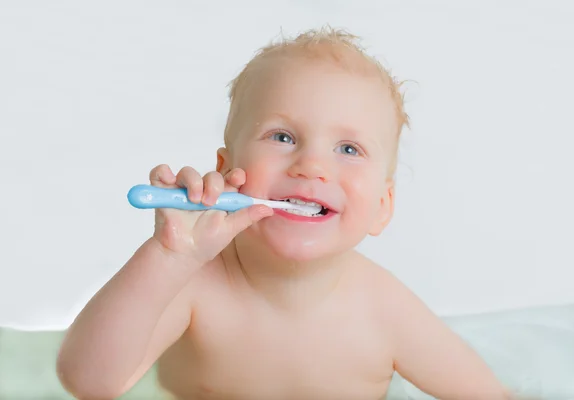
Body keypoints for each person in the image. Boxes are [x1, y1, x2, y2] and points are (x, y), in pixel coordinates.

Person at [56, 26, 514, 400]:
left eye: (349, 148)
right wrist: (168, 258)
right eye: (282, 137)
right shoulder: (194, 285)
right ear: (226, 171)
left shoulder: (386, 310)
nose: (311, 166)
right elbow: (88, 383)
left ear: (381, 207)